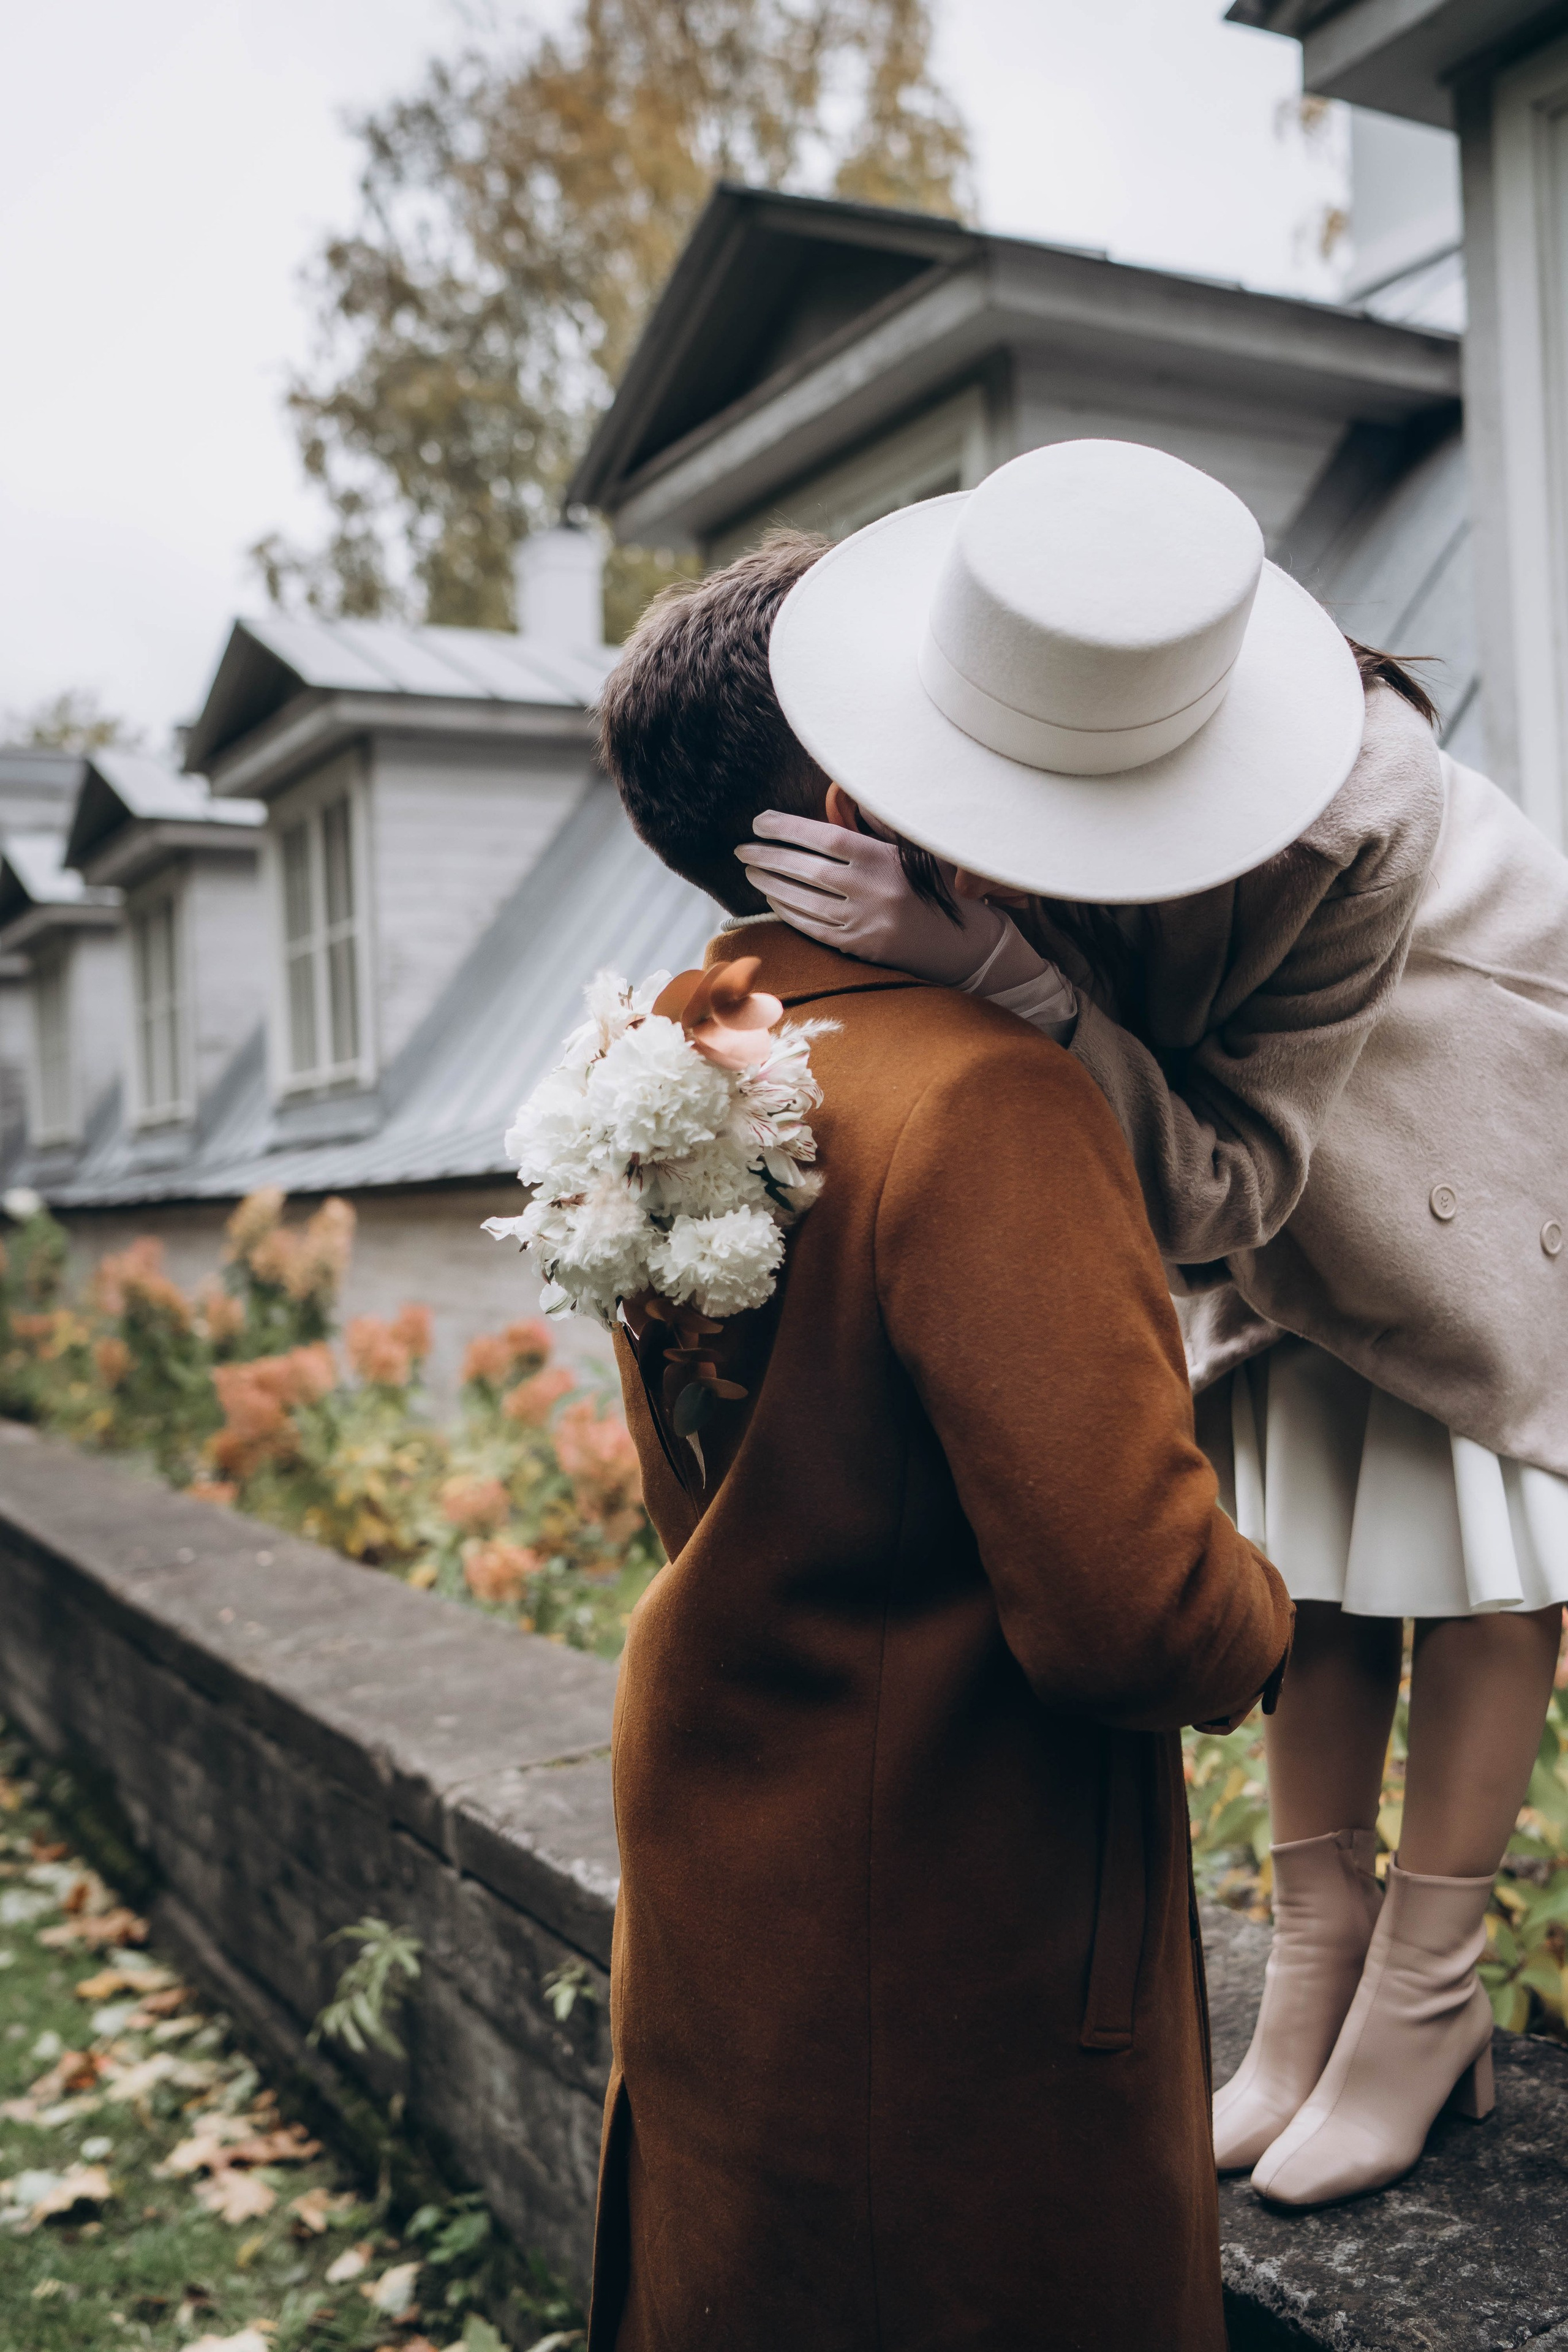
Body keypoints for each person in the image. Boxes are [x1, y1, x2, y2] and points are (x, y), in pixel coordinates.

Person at [744, 434, 1568, 2210]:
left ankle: (1425, 2004)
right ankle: (1317, 1980)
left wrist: (1006, 979)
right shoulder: (1025, 678)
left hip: (1474, 1124)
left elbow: (1225, 1193)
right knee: (1325, 1553)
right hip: (1275, 1140)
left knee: (1478, 1518)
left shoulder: (1351, 830)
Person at [587, 525, 1294, 2351]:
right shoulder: (987, 1099)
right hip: (958, 1938)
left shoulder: (675, 1054)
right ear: (851, 796)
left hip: (731, 1866)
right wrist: (1274, 1612)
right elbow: (1135, 1616)